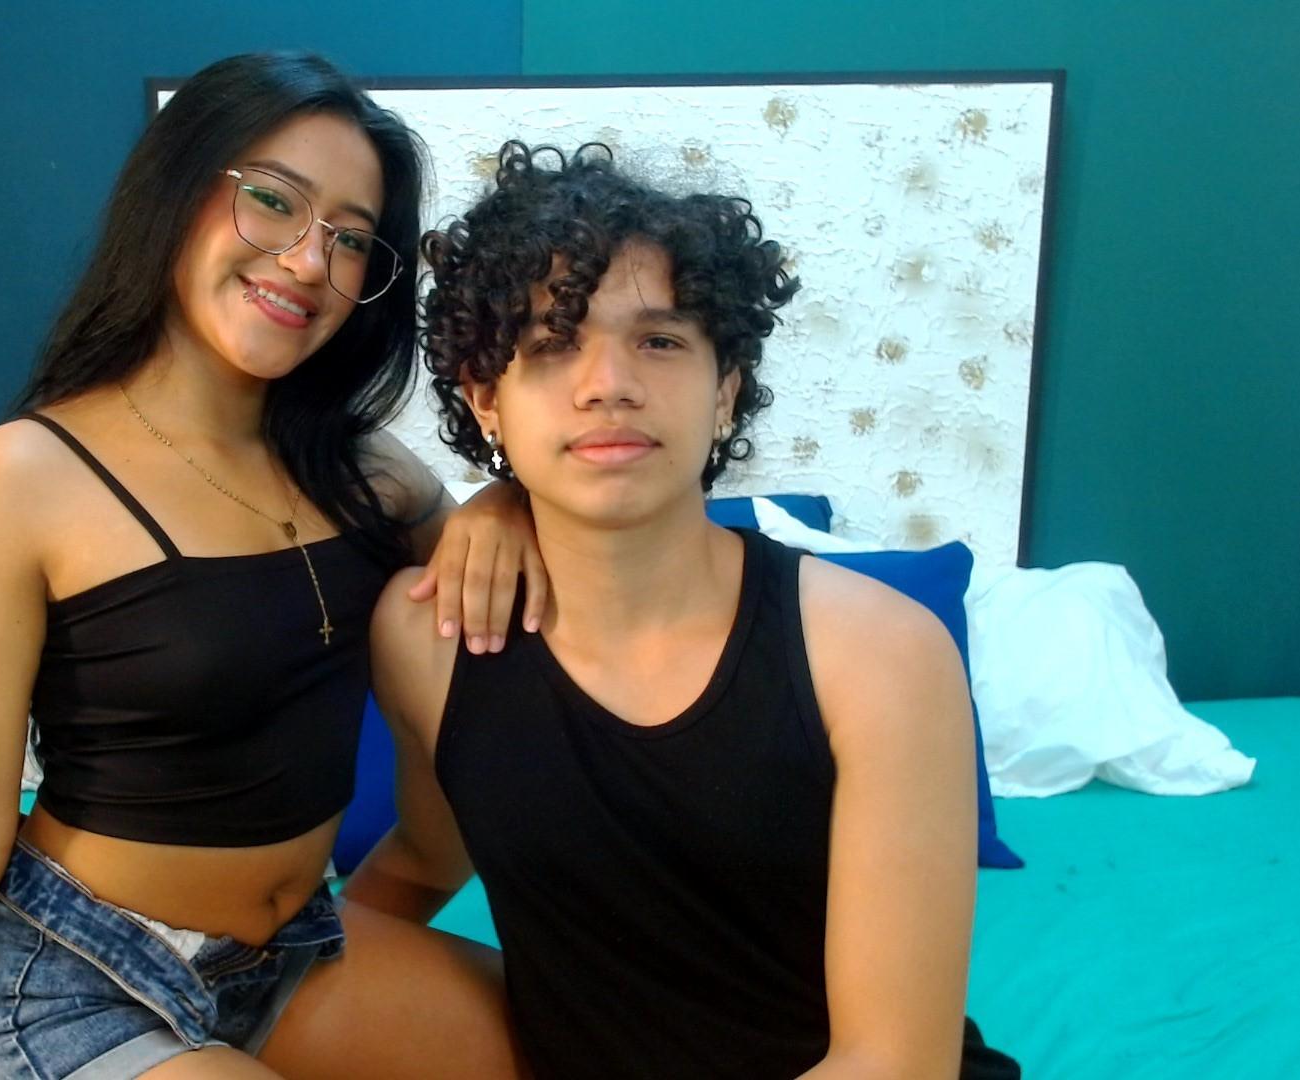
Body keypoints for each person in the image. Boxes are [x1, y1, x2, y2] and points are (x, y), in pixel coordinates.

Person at [0, 54, 536, 1079]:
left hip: (286, 954)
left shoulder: (368, 473)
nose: (307, 262)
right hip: (77, 977)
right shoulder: (15, 480)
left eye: (351, 238)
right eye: (273, 201)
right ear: (178, 193)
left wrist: (504, 501)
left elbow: (505, 596)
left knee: (575, 1040)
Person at [347, 143, 1022, 1079]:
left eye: (660, 341)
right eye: (552, 344)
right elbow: (428, 858)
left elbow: (893, 1063)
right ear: (486, 401)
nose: (608, 384)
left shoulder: (881, 654)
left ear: (726, 390)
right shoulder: (426, 636)